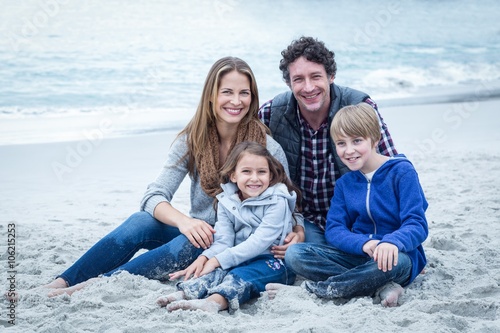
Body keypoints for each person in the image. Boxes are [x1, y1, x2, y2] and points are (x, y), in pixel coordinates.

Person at [42, 56, 299, 297]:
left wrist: (297, 231)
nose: (236, 101)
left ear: (252, 97)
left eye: (244, 93)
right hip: (197, 230)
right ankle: (63, 281)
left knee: (189, 244)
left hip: (229, 243)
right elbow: (153, 196)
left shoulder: (266, 147)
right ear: (211, 96)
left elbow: (288, 202)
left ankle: (96, 284)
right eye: (227, 92)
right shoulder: (192, 140)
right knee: (140, 221)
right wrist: (185, 222)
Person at [267, 102, 428, 307]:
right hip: (359, 256)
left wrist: (392, 242)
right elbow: (334, 230)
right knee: (295, 254)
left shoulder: (402, 172)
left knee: (397, 263)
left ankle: (316, 290)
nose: (349, 150)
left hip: (395, 258)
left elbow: (417, 224)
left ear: (375, 139)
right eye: (341, 143)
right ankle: (381, 286)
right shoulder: (345, 184)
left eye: (357, 141)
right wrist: (363, 244)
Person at [259, 36, 398, 247]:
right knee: (296, 253)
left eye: (316, 76)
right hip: (303, 222)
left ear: (331, 76)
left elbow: (391, 169)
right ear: (288, 83)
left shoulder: (360, 106)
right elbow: (245, 165)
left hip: (356, 219)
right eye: (298, 79)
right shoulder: (271, 113)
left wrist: (399, 237)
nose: (308, 87)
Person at [156, 141, 300, 313]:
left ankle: (213, 303)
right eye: (246, 171)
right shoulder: (226, 200)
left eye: (261, 172)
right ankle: (187, 292)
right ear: (233, 176)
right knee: (214, 269)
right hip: (238, 256)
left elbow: (259, 242)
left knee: (240, 276)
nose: (254, 178)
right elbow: (224, 240)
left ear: (270, 175)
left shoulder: (278, 201)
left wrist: (219, 259)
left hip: (272, 261)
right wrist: (206, 257)